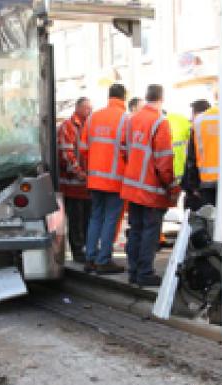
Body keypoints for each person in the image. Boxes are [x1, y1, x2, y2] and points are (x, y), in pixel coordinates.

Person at [120, 84, 178, 286]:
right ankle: (145, 273)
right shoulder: (160, 122)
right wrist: (171, 186)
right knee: (150, 232)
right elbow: (164, 161)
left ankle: (133, 271)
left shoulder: (132, 119)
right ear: (161, 99)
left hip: (132, 187)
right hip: (151, 189)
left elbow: (124, 150)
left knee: (135, 230)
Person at [81, 83, 129, 274]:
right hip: (115, 180)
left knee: (95, 218)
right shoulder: (125, 119)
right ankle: (103, 260)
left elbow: (83, 148)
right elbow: (128, 151)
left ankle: (90, 258)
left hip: (95, 179)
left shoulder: (93, 117)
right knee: (110, 219)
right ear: (124, 98)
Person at [57, 97, 92, 263]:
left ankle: (85, 249)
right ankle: (78, 251)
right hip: (73, 185)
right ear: (77, 108)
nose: (89, 111)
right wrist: (80, 173)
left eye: (90, 108)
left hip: (86, 185)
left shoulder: (88, 126)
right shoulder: (68, 126)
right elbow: (66, 154)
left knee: (86, 220)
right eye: (86, 108)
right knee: (76, 221)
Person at [182, 99, 216, 211]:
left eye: (192, 113)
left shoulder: (198, 125)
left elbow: (192, 159)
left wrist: (193, 187)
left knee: (204, 216)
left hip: (204, 185)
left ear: (197, 113)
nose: (191, 117)